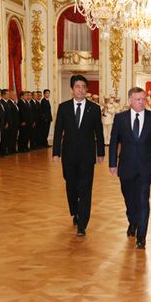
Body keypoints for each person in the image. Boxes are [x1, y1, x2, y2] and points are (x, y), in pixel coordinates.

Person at [109, 86, 151, 249]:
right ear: (130, 101)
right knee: (129, 200)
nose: (142, 102)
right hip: (125, 167)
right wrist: (112, 163)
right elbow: (114, 142)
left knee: (142, 200)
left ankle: (142, 235)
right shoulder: (120, 118)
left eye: (143, 99)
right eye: (138, 99)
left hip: (146, 167)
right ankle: (132, 221)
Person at [52, 75, 105, 236]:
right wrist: (56, 152)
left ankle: (83, 222)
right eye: (77, 86)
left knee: (86, 188)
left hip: (87, 156)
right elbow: (58, 132)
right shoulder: (64, 108)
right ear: (72, 89)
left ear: (86, 89)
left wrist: (100, 152)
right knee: (71, 186)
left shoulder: (94, 108)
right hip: (68, 155)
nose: (81, 89)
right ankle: (75, 211)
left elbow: (99, 132)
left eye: (83, 86)